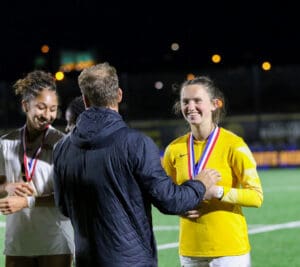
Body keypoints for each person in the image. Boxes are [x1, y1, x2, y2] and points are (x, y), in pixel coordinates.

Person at [52, 62, 222, 267]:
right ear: (119, 95)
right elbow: (170, 201)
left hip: (86, 260)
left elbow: (63, 207)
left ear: (86, 100)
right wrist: (200, 184)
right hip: (131, 260)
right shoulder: (136, 143)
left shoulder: (61, 148)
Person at [162, 76, 264, 267]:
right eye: (185, 101)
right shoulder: (173, 150)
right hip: (191, 251)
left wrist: (216, 192)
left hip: (229, 251)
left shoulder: (234, 145)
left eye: (197, 100)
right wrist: (179, 207)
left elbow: (256, 197)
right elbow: (167, 195)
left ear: (214, 104)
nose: (190, 106)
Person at [0, 70, 74, 267]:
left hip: (55, 243)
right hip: (19, 243)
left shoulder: (63, 144)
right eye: (41, 107)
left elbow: (68, 196)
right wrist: (6, 188)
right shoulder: (5, 144)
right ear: (26, 105)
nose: (47, 115)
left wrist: (27, 201)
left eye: (53, 109)